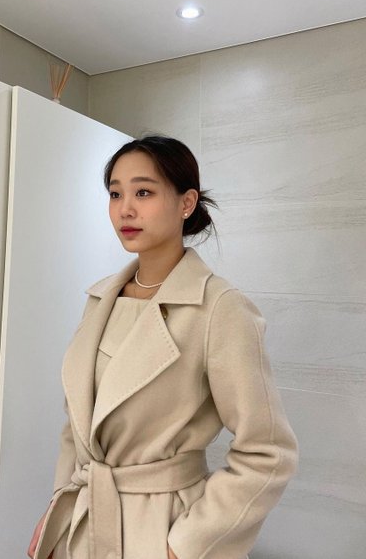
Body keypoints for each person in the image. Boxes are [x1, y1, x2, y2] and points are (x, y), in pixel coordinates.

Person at [28, 135, 299, 559]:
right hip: (83, 525)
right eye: (115, 194)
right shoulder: (100, 299)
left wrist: (187, 545)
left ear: (186, 203)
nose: (125, 209)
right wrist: (55, 513)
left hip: (163, 529)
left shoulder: (220, 308)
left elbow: (268, 452)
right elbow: (75, 430)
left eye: (143, 192)